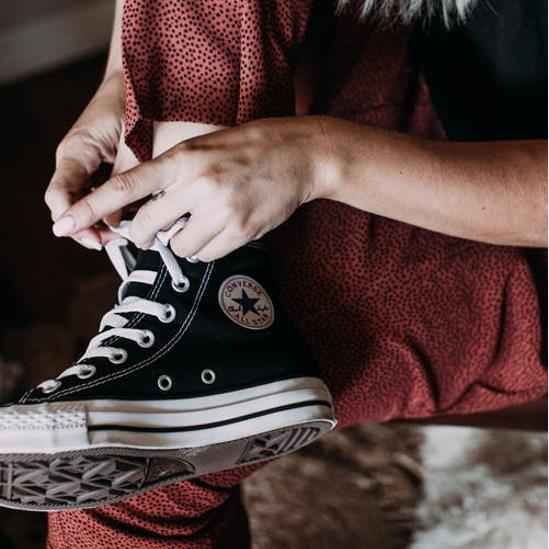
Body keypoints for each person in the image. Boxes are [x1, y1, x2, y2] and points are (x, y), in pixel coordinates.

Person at [24, 0, 549, 546]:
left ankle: (204, 312)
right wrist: (127, 78)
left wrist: (317, 158)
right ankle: (197, 280)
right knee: (123, 449)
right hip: (416, 61)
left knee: (122, 482)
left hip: (515, 227)